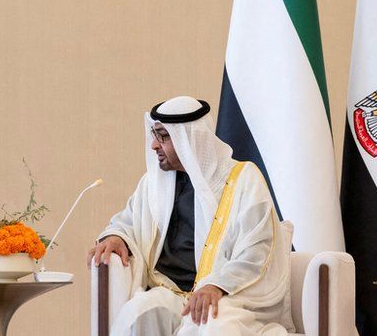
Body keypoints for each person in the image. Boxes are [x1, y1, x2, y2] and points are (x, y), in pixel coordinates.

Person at [88, 96, 294, 335]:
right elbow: (129, 221)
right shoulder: (154, 183)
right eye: (154, 135)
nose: (154, 145)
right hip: (171, 292)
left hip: (228, 295)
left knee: (210, 323)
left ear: (190, 139)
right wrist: (116, 237)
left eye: (163, 136)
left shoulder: (244, 179)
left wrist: (217, 285)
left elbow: (257, 249)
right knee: (139, 312)